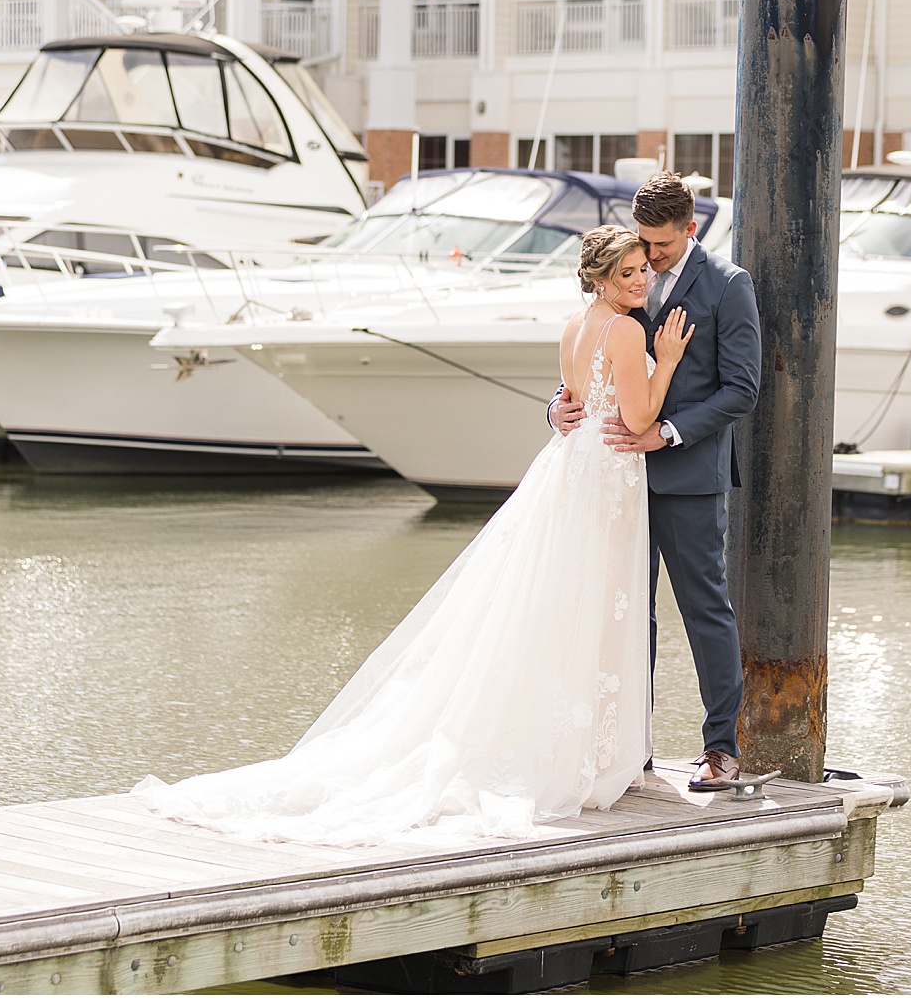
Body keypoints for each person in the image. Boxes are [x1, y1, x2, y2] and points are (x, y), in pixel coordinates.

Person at [132, 226, 695, 846]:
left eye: (644, 269)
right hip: (606, 474)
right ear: (600, 278)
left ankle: (576, 745)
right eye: (628, 274)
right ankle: (584, 755)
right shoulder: (629, 330)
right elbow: (638, 417)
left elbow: (574, 399)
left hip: (573, 468)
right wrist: (666, 360)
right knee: (589, 605)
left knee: (559, 605)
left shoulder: (574, 325)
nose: (642, 280)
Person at [549, 171, 761, 790]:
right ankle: (628, 749)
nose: (648, 260)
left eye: (659, 248)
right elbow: (591, 371)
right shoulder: (622, 280)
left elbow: (741, 389)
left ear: (689, 230)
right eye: (640, 245)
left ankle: (722, 748)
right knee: (623, 616)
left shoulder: (728, 286)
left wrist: (664, 434)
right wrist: (559, 406)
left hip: (687, 476)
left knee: (705, 611)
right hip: (616, 480)